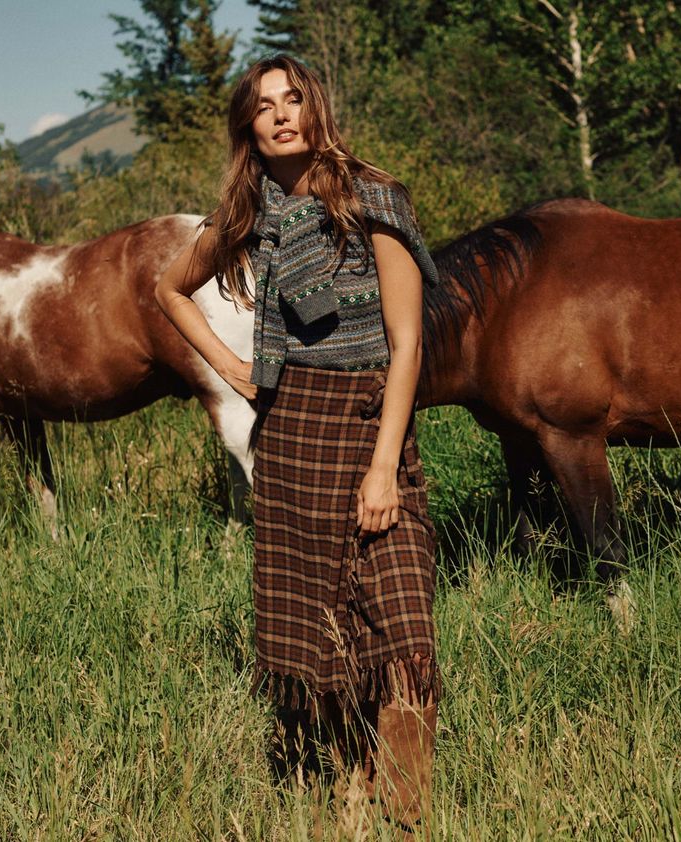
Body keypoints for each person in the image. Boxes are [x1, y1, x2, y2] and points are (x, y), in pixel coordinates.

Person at [156, 53, 441, 835]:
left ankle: (405, 815)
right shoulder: (250, 214)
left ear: (315, 108)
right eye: (262, 105)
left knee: (401, 625)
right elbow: (167, 288)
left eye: (293, 99)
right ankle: (346, 792)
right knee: (318, 630)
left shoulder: (371, 198)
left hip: (370, 422)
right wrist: (233, 369)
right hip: (289, 434)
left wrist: (384, 467)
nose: (281, 114)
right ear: (248, 125)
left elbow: (406, 343)